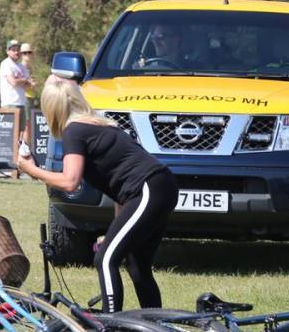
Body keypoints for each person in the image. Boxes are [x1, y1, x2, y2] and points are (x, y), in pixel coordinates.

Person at [15, 76, 177, 313]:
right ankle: (155, 324)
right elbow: (120, 186)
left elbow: (70, 181)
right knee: (137, 265)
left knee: (105, 259)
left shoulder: (74, 131)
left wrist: (32, 170)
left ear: (52, 108)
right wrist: (116, 227)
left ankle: (110, 322)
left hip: (148, 188)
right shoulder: (100, 125)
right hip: (160, 186)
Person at [0, 39, 33, 117]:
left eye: (18, 50)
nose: (16, 52)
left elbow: (28, 85)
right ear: (7, 51)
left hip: (22, 103)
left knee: (21, 129)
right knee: (12, 129)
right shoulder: (5, 64)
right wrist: (24, 80)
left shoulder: (21, 66)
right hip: (10, 103)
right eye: (13, 50)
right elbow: (13, 82)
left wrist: (22, 81)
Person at [20, 42, 36, 125]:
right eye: (24, 53)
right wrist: (30, 84)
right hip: (25, 97)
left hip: (31, 96)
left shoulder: (30, 67)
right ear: (21, 55)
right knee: (27, 123)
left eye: (29, 52)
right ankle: (24, 139)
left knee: (29, 122)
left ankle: (26, 138)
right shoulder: (21, 67)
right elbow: (19, 84)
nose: (27, 55)